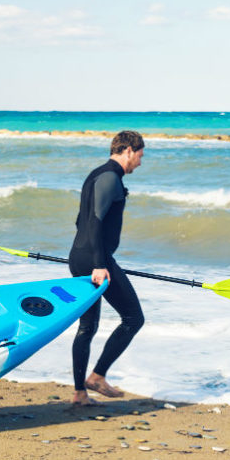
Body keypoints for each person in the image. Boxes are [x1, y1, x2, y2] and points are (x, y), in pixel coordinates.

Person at [68, 130, 145, 406]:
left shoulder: (96, 175)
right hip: (95, 261)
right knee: (133, 318)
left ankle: (80, 393)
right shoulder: (111, 177)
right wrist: (100, 263)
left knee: (87, 326)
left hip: (81, 256)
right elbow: (95, 223)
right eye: (139, 155)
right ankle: (97, 377)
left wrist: (87, 257)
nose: (140, 162)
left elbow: (81, 221)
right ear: (127, 150)